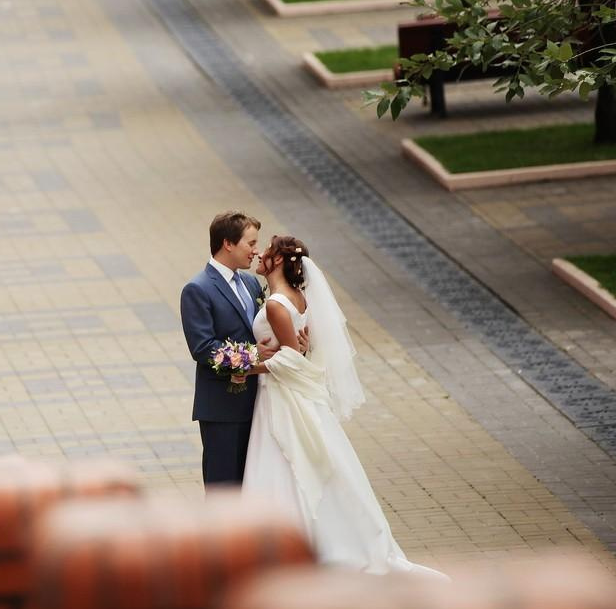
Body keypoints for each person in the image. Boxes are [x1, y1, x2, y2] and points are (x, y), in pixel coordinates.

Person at [244, 234, 445, 577]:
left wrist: (248, 366)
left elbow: (291, 357)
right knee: (308, 461)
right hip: (292, 393)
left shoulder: (278, 303)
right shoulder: (299, 297)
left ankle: (298, 545)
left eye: (267, 250)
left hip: (283, 395)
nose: (260, 253)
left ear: (278, 261)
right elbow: (300, 349)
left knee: (288, 462)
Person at [180, 212, 306, 489]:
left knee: (256, 488)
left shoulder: (250, 283)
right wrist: (253, 355)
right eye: (250, 243)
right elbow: (203, 348)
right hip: (223, 408)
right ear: (228, 243)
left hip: (261, 404)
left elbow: (269, 331)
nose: (256, 251)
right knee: (224, 489)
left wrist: (296, 346)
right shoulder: (197, 289)